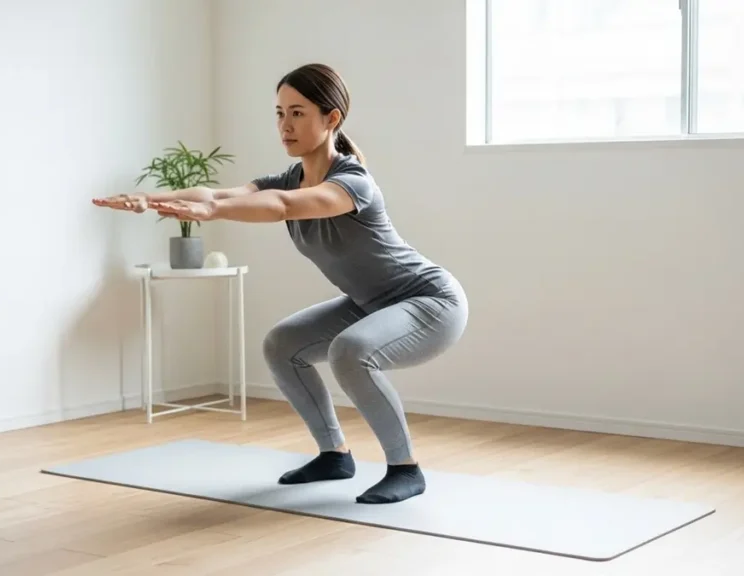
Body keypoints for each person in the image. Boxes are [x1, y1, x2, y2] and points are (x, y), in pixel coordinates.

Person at [93, 63, 469, 504]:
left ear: (332, 119)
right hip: (370, 302)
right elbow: (216, 194)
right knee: (282, 344)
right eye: (279, 113)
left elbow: (281, 206)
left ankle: (405, 468)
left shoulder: (352, 182)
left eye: (297, 113)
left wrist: (211, 213)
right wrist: (152, 200)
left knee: (351, 351)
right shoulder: (288, 177)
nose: (284, 125)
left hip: (430, 303)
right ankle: (334, 455)